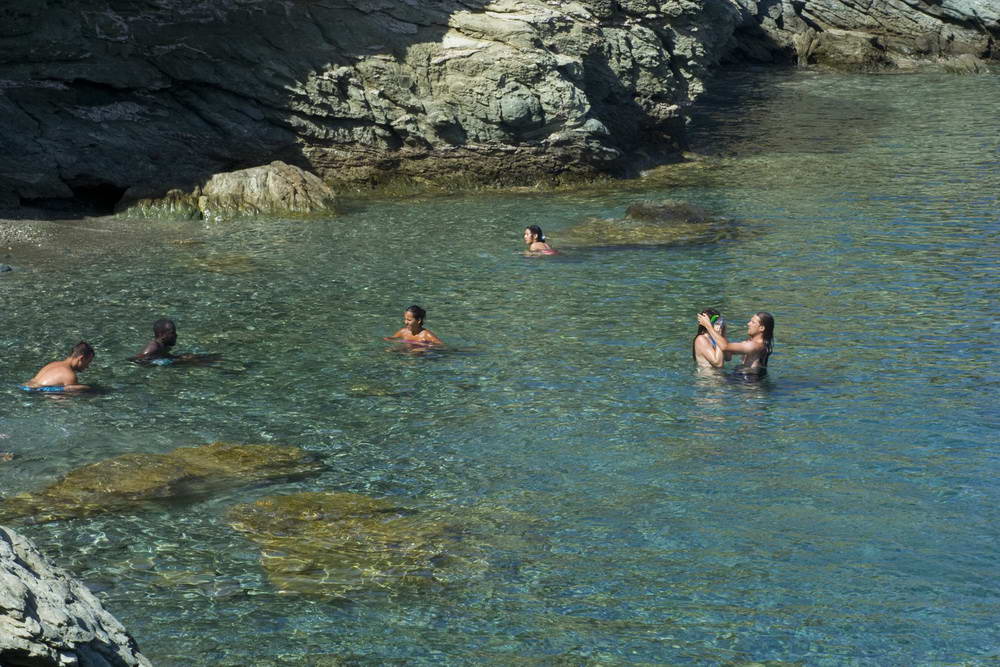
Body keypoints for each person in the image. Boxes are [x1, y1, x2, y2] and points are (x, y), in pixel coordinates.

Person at [696, 311, 774, 373]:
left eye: (753, 322)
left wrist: (708, 326)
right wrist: (722, 333)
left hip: (749, 383)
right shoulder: (750, 342)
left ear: (761, 328)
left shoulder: (754, 345)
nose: (748, 324)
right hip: (742, 378)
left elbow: (725, 347)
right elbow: (728, 355)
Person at [21, 341, 95, 392]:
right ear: (81, 358)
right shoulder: (69, 375)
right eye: (88, 362)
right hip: (36, 394)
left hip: (25, 387)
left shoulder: (53, 364)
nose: (87, 366)